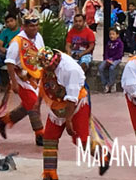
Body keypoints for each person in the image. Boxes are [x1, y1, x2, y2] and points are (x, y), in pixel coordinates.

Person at [37, 48, 110, 179]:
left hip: (76, 104)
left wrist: (68, 120)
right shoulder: (47, 66)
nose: (47, 70)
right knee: (49, 138)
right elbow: (44, 84)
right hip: (57, 104)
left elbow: (72, 98)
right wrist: (37, 104)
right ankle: (49, 174)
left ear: (55, 61)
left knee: (80, 140)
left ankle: (103, 155)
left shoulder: (71, 69)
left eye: (49, 67)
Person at [0, 11, 44, 145]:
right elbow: (9, 62)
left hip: (35, 76)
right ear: (24, 27)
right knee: (33, 104)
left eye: (36, 26)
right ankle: (40, 134)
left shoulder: (38, 37)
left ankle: (4, 120)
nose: (34, 28)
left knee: (29, 106)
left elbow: (41, 54)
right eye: (31, 26)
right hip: (21, 78)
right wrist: (14, 83)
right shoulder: (17, 41)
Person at [0, 13, 19, 91]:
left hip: (18, 56)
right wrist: (6, 51)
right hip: (5, 55)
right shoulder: (5, 32)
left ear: (16, 21)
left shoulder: (21, 31)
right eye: (7, 22)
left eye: (11, 21)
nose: (10, 23)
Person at [99, 28, 124, 93]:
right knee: (101, 67)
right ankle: (105, 84)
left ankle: (111, 83)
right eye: (110, 34)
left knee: (112, 68)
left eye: (113, 34)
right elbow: (106, 52)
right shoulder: (108, 43)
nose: (111, 36)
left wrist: (112, 60)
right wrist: (107, 59)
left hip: (116, 59)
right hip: (108, 59)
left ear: (117, 35)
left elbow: (119, 54)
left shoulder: (120, 43)